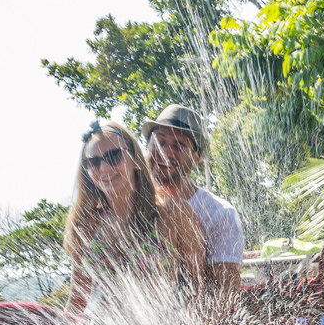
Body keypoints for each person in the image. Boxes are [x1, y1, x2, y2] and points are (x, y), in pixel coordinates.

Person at [64, 119, 207, 313]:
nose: (104, 168)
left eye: (114, 156)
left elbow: (197, 289)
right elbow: (77, 301)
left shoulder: (175, 214)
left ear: (135, 159)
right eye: (94, 162)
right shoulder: (85, 224)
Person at [143, 104, 245, 295]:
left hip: (189, 319)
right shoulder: (133, 206)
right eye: (159, 142)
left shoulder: (220, 214)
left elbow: (223, 296)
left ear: (196, 159)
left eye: (178, 145)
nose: (165, 152)